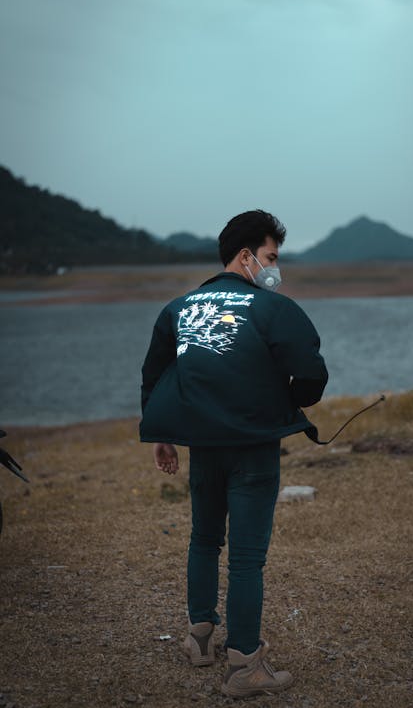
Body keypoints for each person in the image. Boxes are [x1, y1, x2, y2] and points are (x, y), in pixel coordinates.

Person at [140, 210, 328, 698]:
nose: (274, 269)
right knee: (246, 558)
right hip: (254, 449)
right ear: (246, 256)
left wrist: (161, 431)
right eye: (271, 257)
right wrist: (292, 398)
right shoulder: (272, 308)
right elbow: (310, 372)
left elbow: (155, 375)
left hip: (204, 447)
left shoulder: (178, 308)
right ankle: (244, 665)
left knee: (204, 540)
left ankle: (199, 639)